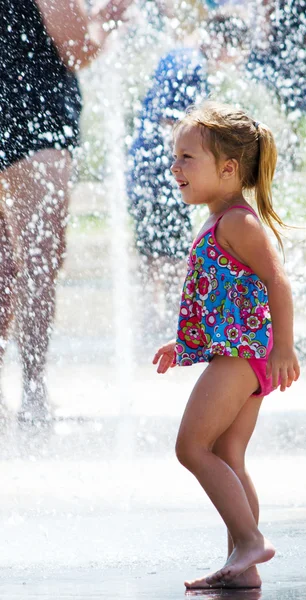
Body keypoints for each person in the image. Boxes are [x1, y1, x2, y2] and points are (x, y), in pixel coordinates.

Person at [153, 101, 300, 588]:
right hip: (238, 354)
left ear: (229, 168)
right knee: (228, 454)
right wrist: (185, 342)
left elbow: (277, 282)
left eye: (187, 157)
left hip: (242, 359)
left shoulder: (238, 222)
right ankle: (244, 568)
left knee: (191, 446)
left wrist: (284, 348)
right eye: (175, 157)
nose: (175, 167)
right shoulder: (220, 219)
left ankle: (249, 539)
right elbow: (224, 296)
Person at [0, 0, 133, 426]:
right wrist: (108, 20)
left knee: (4, 263)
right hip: (31, 116)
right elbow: (75, 48)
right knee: (37, 258)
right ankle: (33, 388)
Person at [127, 15, 250, 332]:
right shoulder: (193, 66)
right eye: (234, 52)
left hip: (142, 168)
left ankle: (146, 322)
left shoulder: (177, 55)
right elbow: (174, 124)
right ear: (222, 42)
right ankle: (171, 321)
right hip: (164, 173)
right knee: (170, 253)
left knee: (150, 250)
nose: (231, 62)